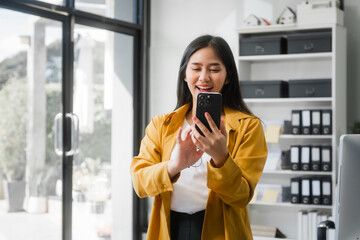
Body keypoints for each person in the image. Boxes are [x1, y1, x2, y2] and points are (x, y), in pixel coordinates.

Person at [130, 35, 268, 240]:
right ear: (184, 75)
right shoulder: (161, 125)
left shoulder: (248, 127)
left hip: (222, 231)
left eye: (214, 69)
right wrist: (175, 165)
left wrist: (221, 159)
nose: (204, 77)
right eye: (196, 69)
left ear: (228, 76)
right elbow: (140, 184)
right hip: (170, 228)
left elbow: (241, 197)